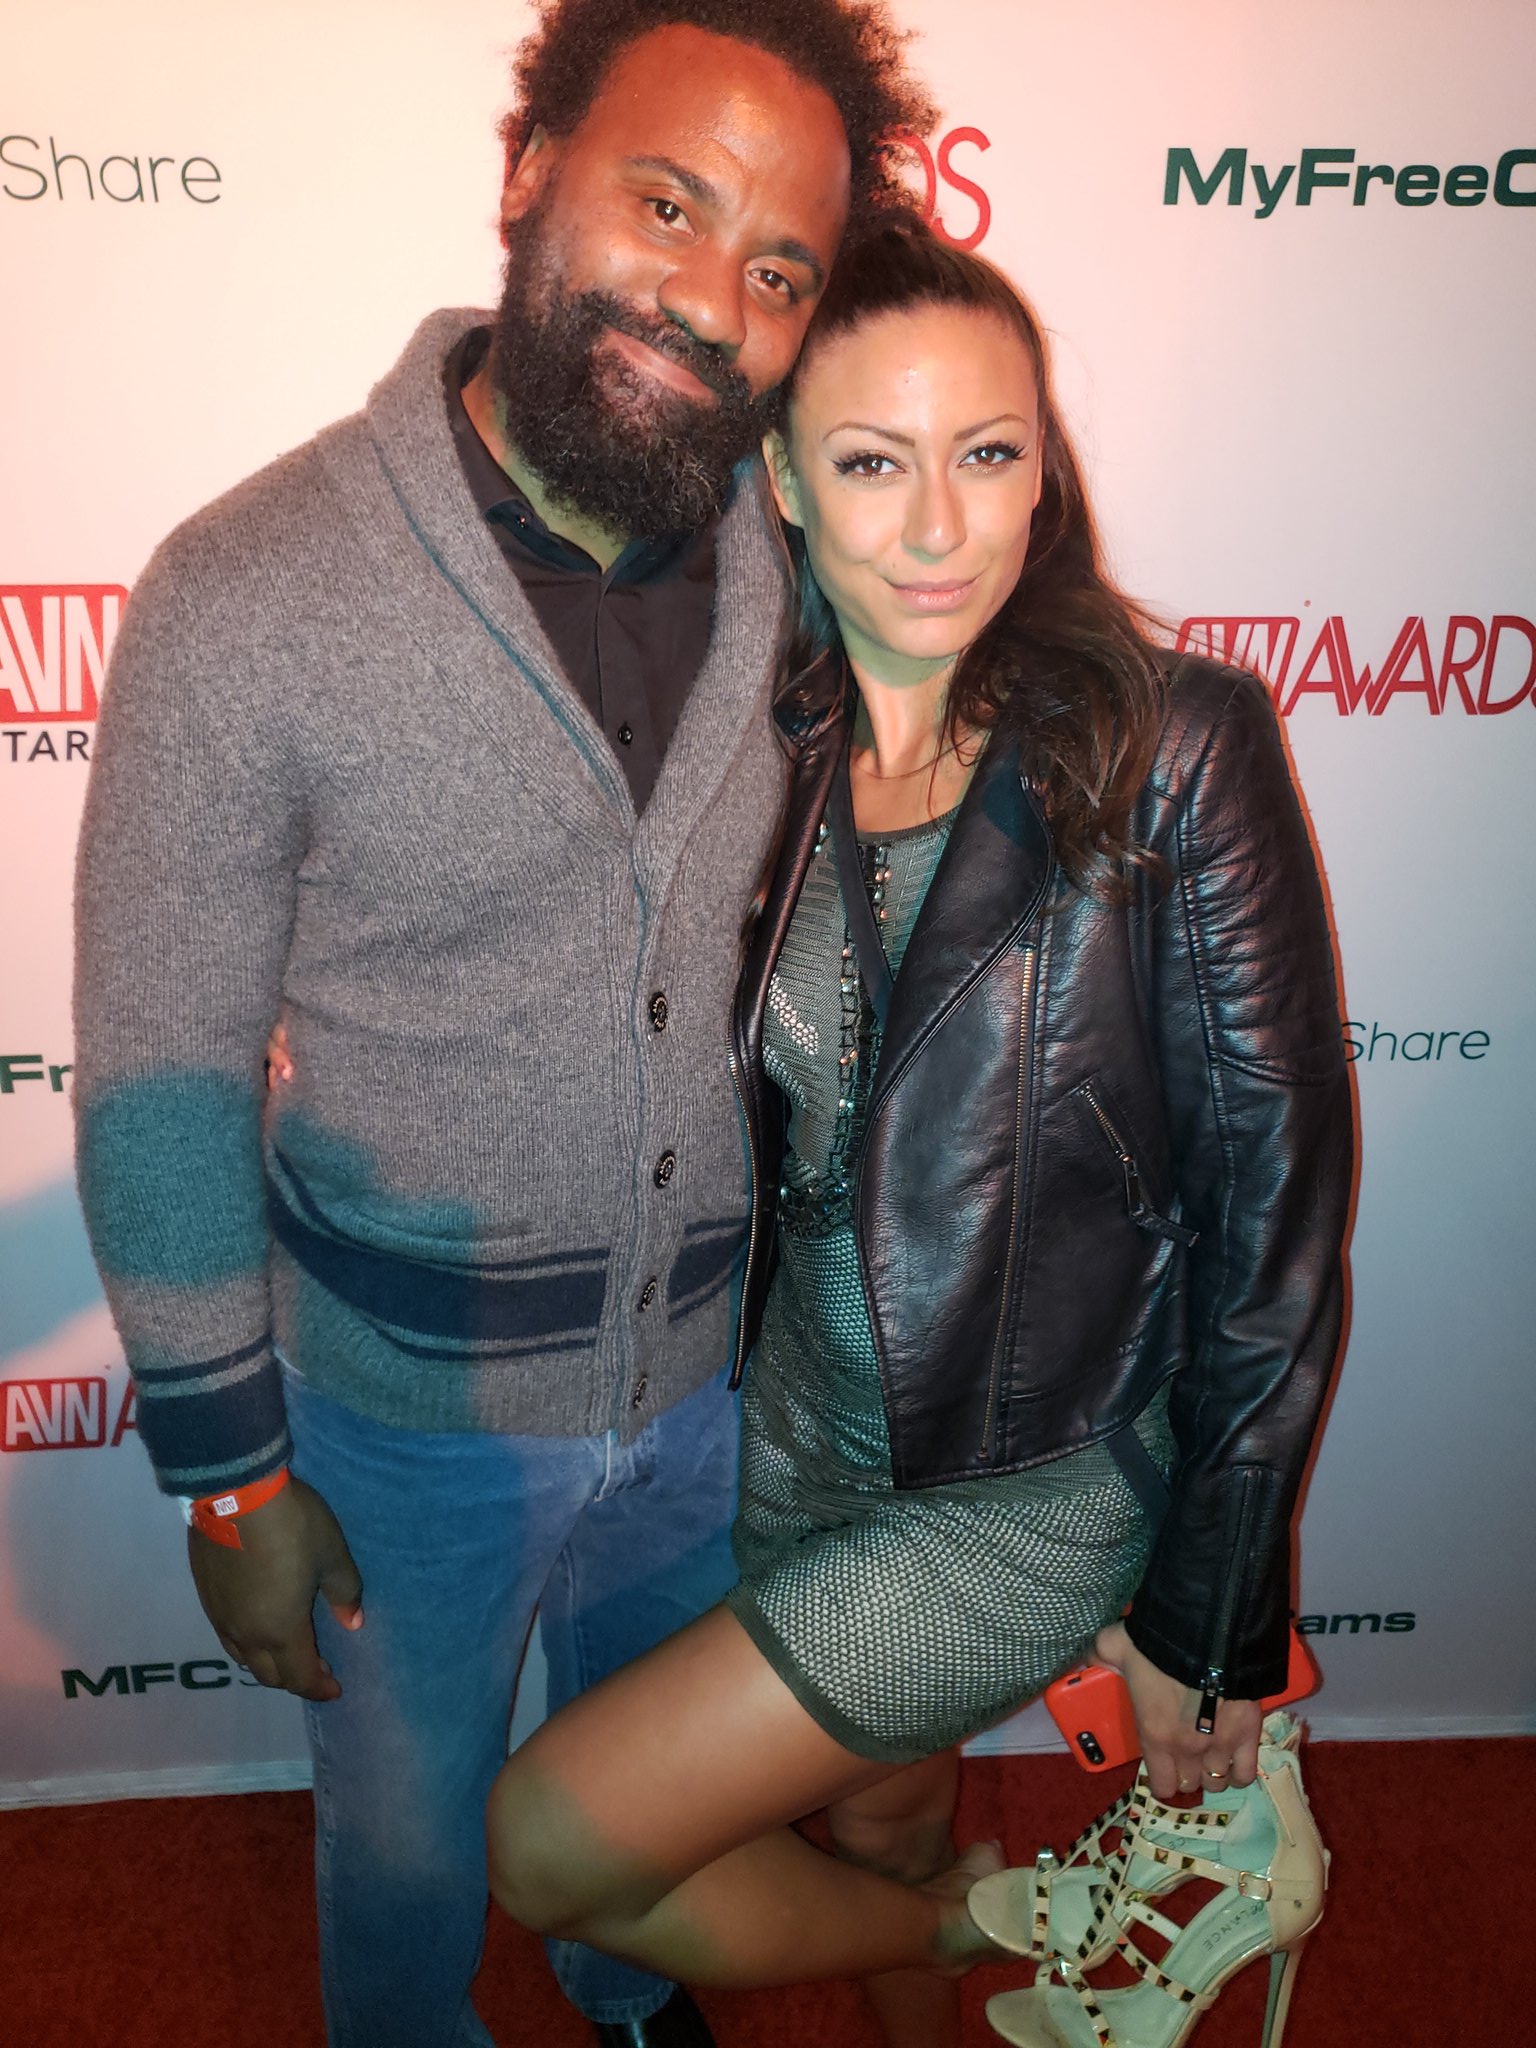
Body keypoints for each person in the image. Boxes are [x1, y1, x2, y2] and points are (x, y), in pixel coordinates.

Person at [70, 7, 934, 2046]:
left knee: (642, 1821)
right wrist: (228, 1477)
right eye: (668, 205)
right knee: (403, 1853)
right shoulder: (249, 588)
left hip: (708, 1393)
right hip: (402, 1426)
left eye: (779, 269)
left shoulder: (801, 564)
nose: (710, 304)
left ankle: (626, 1999)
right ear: (531, 165)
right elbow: (161, 1066)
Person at [483, 219, 1352, 2048]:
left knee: (551, 1841)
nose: (941, 525)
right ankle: (950, 1944)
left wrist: (1210, 1621)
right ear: (788, 485)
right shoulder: (765, 746)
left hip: (1027, 1475)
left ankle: (983, 1927)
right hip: (801, 1426)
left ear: (1045, 469)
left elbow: (1272, 1217)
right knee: (876, 1820)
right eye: (875, 462)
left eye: (989, 452)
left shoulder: (1171, 745)